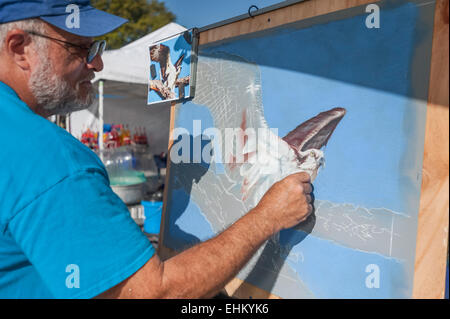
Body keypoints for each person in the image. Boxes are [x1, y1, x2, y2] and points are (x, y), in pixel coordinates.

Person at [0, 0, 313, 299]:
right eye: (82, 48)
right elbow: (151, 293)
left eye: (96, 48)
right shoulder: (48, 156)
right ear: (20, 48)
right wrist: (268, 217)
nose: (97, 63)